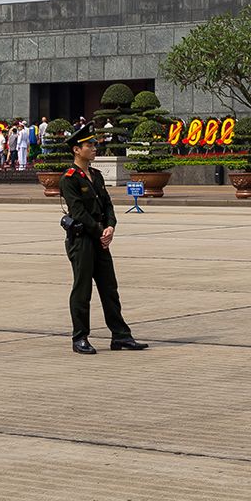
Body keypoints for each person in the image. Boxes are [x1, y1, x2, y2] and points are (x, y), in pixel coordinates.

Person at [57, 123, 145, 355]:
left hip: (100, 238)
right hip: (83, 240)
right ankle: (80, 338)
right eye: (90, 145)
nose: (95, 148)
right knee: (82, 290)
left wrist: (111, 227)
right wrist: (100, 232)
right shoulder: (69, 179)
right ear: (77, 149)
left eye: (95, 144)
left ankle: (120, 336)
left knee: (109, 288)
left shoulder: (95, 175)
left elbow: (107, 204)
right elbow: (78, 212)